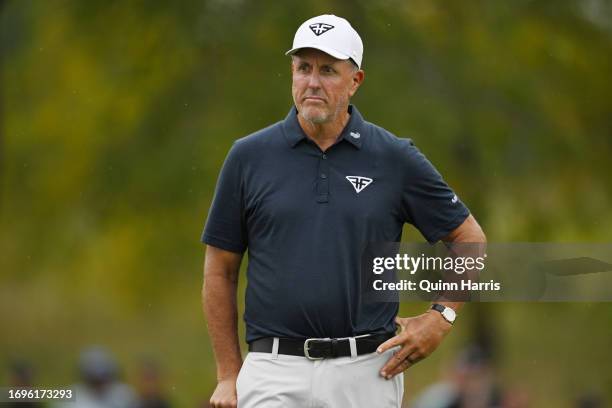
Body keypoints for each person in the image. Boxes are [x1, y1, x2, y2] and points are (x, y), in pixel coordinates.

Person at [201, 14, 486, 408]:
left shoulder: (394, 157)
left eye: (328, 70)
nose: (312, 82)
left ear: (356, 81)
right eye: (304, 68)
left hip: (367, 371)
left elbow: (469, 239)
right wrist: (228, 374)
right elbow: (220, 269)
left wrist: (441, 317)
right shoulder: (248, 157)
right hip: (273, 369)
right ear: (292, 74)